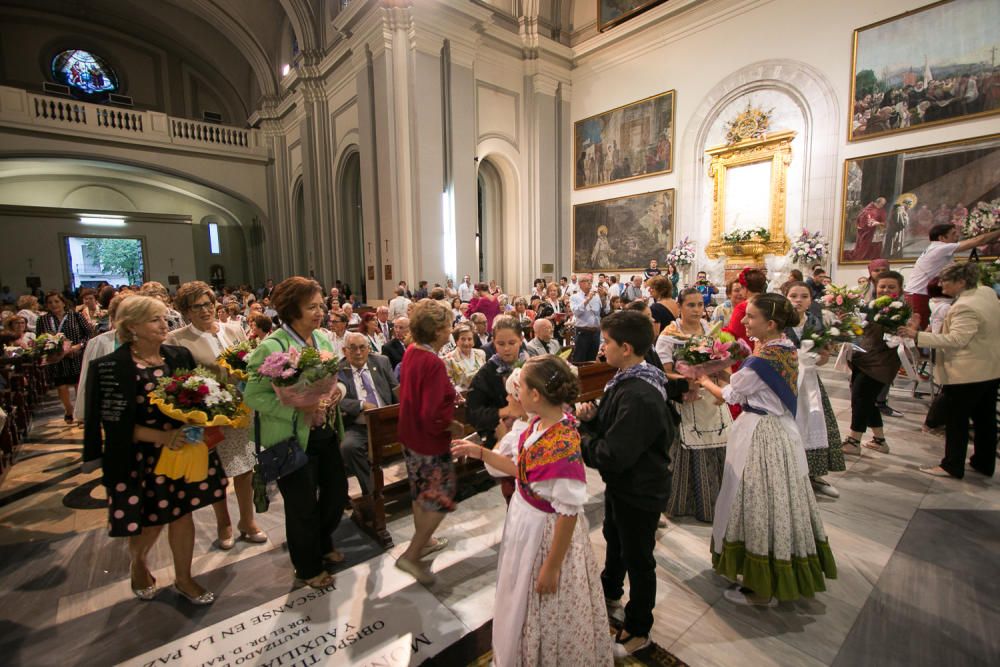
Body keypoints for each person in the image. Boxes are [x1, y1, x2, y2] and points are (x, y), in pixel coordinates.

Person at [452, 356, 613, 666]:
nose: (515, 394)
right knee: (518, 590)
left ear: (536, 395)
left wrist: (552, 566)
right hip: (525, 519)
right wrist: (480, 451)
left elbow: (567, 512)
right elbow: (522, 470)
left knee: (543, 600)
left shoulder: (563, 444)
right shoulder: (537, 425)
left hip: (546, 533)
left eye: (521, 388)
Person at [82, 295, 227, 605]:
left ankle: (184, 579)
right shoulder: (111, 366)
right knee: (151, 521)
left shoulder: (178, 356)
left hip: (183, 449)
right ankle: (138, 562)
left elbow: (197, 397)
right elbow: (115, 424)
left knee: (182, 514)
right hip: (142, 456)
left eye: (165, 318)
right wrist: (161, 438)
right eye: (155, 320)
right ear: (132, 326)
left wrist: (201, 420)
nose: (165, 325)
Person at [698, 293, 836, 606]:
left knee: (754, 501)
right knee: (780, 502)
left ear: (770, 323)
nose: (744, 321)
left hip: (761, 435)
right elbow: (750, 385)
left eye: (751, 316)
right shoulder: (786, 348)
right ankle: (777, 568)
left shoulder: (761, 361)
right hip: (782, 432)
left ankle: (762, 587)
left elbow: (733, 394)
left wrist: (705, 377)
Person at [577, 310, 674, 658]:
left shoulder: (639, 394)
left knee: (639, 558)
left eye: (607, 343)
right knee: (614, 538)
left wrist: (583, 433)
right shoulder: (626, 378)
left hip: (640, 488)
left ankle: (637, 627)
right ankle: (609, 590)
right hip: (624, 485)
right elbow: (615, 426)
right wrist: (596, 417)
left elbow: (613, 454)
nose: (602, 349)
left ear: (627, 348)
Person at [244, 277, 347, 590]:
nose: (319, 312)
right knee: (301, 506)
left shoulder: (324, 341)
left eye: (321, 305)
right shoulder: (272, 347)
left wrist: (338, 391)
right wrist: (297, 409)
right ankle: (307, 566)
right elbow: (253, 396)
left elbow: (334, 380)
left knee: (337, 493)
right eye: (311, 307)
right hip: (292, 438)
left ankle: (322, 539)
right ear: (291, 311)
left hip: (325, 431)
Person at [167, 281, 266, 550]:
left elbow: (248, 362)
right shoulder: (177, 339)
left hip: (242, 409)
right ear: (186, 311)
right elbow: (179, 381)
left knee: (245, 468)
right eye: (197, 306)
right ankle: (224, 523)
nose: (205, 310)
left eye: (208, 304)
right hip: (208, 415)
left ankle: (248, 521)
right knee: (215, 473)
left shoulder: (233, 329)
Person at [900, 263, 1000, 479]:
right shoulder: (986, 292)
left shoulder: (965, 306)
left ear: (961, 282)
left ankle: (952, 465)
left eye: (945, 280)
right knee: (985, 419)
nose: (940, 284)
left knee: (957, 420)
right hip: (990, 367)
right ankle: (984, 462)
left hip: (967, 371)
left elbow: (956, 340)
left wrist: (916, 335)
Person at [395, 298, 459, 584]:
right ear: (435, 330)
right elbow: (432, 411)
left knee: (421, 492)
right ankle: (411, 555)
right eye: (448, 326)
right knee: (441, 497)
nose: (451, 331)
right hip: (429, 441)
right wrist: (452, 425)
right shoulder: (432, 362)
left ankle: (426, 540)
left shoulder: (412, 351)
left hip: (410, 436)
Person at [656, 289, 730, 522]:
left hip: (711, 396)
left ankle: (719, 501)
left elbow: (724, 360)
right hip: (686, 399)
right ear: (680, 307)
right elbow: (665, 373)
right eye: (691, 305)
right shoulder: (669, 335)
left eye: (700, 305)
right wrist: (691, 380)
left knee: (720, 443)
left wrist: (726, 386)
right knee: (687, 447)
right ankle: (684, 502)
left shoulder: (711, 330)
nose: (697, 310)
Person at [782, 282, 845, 498]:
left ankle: (814, 474)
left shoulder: (816, 323)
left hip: (809, 382)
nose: (798, 300)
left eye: (803, 296)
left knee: (814, 422)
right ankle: (786, 474)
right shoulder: (779, 323)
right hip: (786, 382)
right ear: (786, 298)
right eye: (793, 296)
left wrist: (822, 357)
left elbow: (822, 359)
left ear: (810, 300)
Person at [842, 271, 907, 455]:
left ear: (900, 289)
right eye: (882, 286)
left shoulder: (899, 310)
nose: (886, 290)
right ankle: (879, 440)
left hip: (880, 363)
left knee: (861, 398)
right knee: (866, 400)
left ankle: (854, 441)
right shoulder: (871, 306)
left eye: (891, 287)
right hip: (863, 358)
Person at [466, 315, 526, 502]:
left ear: (521, 339)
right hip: (503, 440)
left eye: (512, 342)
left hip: (535, 436)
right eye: (500, 343)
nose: (506, 349)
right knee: (515, 497)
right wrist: (505, 412)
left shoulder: (534, 364)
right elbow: (472, 413)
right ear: (493, 342)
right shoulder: (487, 373)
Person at [903, 223, 1000, 330]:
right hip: (919, 295)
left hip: (922, 294)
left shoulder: (937, 249)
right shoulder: (940, 248)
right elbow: (978, 241)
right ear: (942, 238)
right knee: (921, 331)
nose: (957, 236)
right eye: (953, 234)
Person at [337, 332, 399, 495]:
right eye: (353, 348)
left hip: (387, 419)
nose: (358, 352)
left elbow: (395, 388)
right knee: (348, 447)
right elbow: (337, 400)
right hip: (359, 425)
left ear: (368, 348)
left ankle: (420, 482)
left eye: (362, 347)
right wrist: (361, 405)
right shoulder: (338, 370)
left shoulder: (381, 361)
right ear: (344, 351)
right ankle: (372, 492)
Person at [37, 291, 92, 423]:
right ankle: (68, 409)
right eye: (50, 302)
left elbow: (89, 334)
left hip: (75, 355)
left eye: (56, 301)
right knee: (61, 386)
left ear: (63, 302)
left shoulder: (75, 316)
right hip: (56, 358)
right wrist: (48, 348)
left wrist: (79, 346)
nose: (54, 305)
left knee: (78, 385)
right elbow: (39, 339)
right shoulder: (43, 320)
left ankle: (81, 413)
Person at [569, 274, 608, 362]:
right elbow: (576, 312)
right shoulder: (574, 297)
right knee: (580, 358)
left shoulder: (596, 296)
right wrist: (587, 299)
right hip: (583, 332)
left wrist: (603, 297)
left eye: (591, 281)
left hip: (595, 331)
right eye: (587, 281)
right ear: (580, 283)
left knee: (592, 359)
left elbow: (603, 311)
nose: (590, 283)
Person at [443, 322, 486, 390]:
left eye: (469, 339)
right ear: (456, 341)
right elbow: (449, 385)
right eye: (463, 339)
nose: (466, 343)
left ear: (474, 341)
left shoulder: (481, 354)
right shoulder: (448, 359)